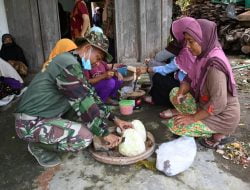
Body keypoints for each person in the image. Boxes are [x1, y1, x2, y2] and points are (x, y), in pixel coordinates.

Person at [15, 31, 132, 167]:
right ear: (88, 49)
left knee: (88, 119)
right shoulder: (67, 65)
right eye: (98, 58)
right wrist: (104, 133)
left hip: (47, 115)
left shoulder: (73, 64)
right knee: (84, 137)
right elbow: (83, 102)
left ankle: (50, 133)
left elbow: (91, 95)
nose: (97, 63)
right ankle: (38, 146)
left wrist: (115, 119)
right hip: (29, 123)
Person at [166, 18, 240, 148]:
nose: (187, 46)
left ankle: (219, 134)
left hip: (222, 117)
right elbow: (188, 78)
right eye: (186, 41)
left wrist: (192, 118)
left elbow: (218, 104)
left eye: (191, 41)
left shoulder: (214, 67)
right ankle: (196, 119)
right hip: (206, 105)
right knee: (174, 92)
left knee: (175, 125)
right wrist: (181, 93)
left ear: (203, 39)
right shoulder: (203, 56)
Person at [138, 17, 196, 112]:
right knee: (161, 73)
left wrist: (147, 69)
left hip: (186, 87)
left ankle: (160, 100)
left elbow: (166, 68)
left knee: (158, 77)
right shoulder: (191, 47)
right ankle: (155, 95)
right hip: (186, 82)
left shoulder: (186, 50)